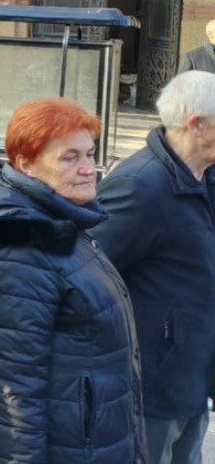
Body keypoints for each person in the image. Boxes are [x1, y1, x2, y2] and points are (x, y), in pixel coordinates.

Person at [0, 98, 145, 464]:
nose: (89, 169)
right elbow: (13, 392)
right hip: (65, 445)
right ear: (26, 162)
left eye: (90, 154)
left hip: (83, 436)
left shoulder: (56, 218)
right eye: (70, 157)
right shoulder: (19, 245)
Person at [90, 72, 215, 464]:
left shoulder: (206, 176)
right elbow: (90, 277)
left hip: (194, 373)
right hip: (154, 385)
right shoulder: (140, 185)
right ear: (196, 124)